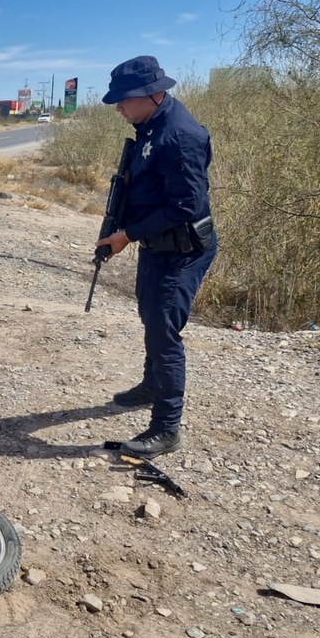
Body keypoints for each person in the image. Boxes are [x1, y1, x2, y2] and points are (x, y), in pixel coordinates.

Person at [95, 56, 218, 459]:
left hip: (183, 252)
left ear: (153, 94)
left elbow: (185, 206)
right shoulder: (149, 125)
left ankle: (166, 429)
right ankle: (152, 385)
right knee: (150, 318)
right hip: (157, 245)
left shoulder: (180, 136)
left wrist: (126, 235)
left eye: (124, 99)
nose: (119, 107)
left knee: (164, 334)